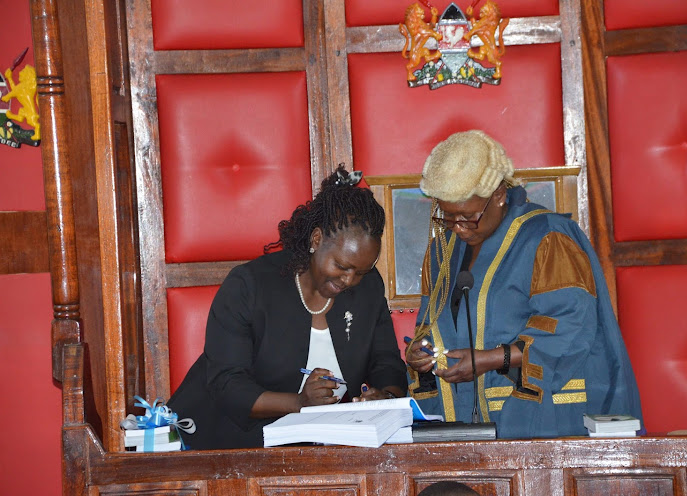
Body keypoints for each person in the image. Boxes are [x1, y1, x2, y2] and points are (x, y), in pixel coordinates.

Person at [405, 130, 642, 438]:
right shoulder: (441, 251)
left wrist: (489, 359)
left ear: (500, 196)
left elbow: (571, 329)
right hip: (459, 420)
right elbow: (429, 324)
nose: (459, 228)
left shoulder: (547, 237)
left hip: (537, 418)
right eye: (447, 217)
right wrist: (419, 353)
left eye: (468, 217)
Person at [168, 166, 407, 449]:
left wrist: (385, 399)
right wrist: (300, 402)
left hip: (315, 448)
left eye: (361, 272)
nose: (350, 280)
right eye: (342, 266)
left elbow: (386, 362)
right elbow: (227, 384)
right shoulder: (250, 286)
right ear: (316, 240)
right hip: (222, 445)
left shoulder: (368, 287)